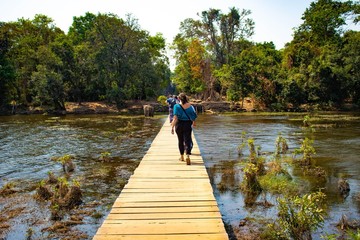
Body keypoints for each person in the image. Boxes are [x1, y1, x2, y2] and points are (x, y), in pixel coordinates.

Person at [171, 93, 197, 165]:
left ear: (179, 99)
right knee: (187, 140)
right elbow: (194, 115)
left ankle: (182, 156)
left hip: (179, 124)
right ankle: (187, 155)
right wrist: (194, 122)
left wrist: (172, 127)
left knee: (180, 140)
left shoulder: (176, 106)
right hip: (187, 124)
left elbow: (175, 118)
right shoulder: (191, 106)